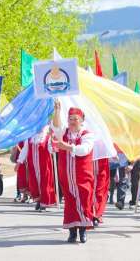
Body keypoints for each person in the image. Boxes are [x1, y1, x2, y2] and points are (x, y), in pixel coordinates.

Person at [51, 100, 95, 243]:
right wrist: (57, 110)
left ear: (82, 121)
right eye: (70, 119)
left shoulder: (87, 134)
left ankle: (83, 231)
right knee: (70, 202)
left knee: (84, 201)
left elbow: (84, 150)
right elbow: (56, 127)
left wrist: (67, 147)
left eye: (75, 119)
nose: (72, 121)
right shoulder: (64, 132)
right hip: (67, 176)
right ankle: (72, 232)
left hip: (83, 176)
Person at [17, 125, 56, 211]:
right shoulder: (30, 137)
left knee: (44, 183)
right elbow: (25, 149)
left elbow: (51, 150)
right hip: (33, 165)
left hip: (44, 166)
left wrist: (53, 145)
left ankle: (44, 203)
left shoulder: (47, 137)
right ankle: (38, 200)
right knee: (34, 183)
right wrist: (19, 161)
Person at [92, 158, 110, 226]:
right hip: (88, 159)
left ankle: (98, 214)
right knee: (90, 190)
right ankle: (93, 214)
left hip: (102, 162)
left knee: (100, 191)